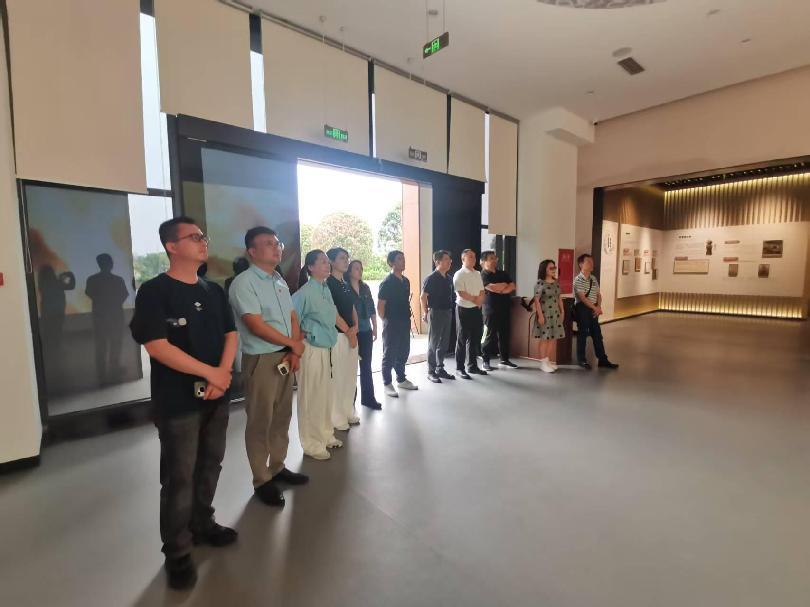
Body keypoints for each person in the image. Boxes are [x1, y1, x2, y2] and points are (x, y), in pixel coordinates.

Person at [129, 217, 237, 591]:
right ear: (171, 247)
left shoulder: (213, 291)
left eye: (203, 236)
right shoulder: (154, 292)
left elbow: (230, 334)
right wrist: (212, 373)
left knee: (211, 463)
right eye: (194, 237)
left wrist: (222, 374)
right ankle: (177, 551)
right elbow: (158, 346)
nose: (203, 241)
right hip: (178, 402)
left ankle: (203, 523)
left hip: (217, 395)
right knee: (179, 477)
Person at [229, 227, 309, 509]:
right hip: (261, 360)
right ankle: (261, 479)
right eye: (268, 244)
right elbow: (256, 325)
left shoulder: (279, 280)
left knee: (282, 416)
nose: (276, 248)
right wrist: (293, 344)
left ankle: (277, 467)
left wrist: (294, 349)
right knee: (260, 420)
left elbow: (292, 316)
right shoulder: (244, 283)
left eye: (277, 243)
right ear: (252, 251)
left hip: (285, 356)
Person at [293, 250, 353, 460]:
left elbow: (334, 315)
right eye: (322, 262)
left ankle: (326, 434)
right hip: (310, 349)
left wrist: (349, 332)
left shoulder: (325, 288)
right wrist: (299, 343)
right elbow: (292, 321)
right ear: (310, 267)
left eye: (328, 262)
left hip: (327, 347)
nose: (327, 265)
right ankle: (311, 443)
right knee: (311, 397)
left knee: (325, 395)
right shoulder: (304, 293)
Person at [325, 248, 361, 430]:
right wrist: (348, 332)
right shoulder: (328, 284)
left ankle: (348, 411)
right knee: (338, 378)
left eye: (347, 258)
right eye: (341, 258)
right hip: (338, 336)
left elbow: (352, 308)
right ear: (331, 262)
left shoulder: (345, 283)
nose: (346, 261)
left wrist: (355, 327)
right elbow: (333, 313)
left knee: (350, 376)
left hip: (351, 334)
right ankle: (336, 417)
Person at [378, 250, 418, 397]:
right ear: (391, 263)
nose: (403, 261)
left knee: (404, 351)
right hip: (391, 322)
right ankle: (387, 383)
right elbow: (380, 306)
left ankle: (401, 379)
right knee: (389, 353)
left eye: (404, 258)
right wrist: (386, 320)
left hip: (404, 321)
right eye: (400, 259)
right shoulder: (387, 282)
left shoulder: (405, 281)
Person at [85, 253, 129, 385]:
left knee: (101, 346)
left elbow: (89, 293)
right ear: (110, 264)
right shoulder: (118, 280)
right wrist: (114, 304)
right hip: (116, 316)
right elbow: (124, 294)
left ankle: (101, 375)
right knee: (116, 345)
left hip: (99, 316)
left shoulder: (92, 279)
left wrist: (101, 302)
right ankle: (114, 371)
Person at [346, 260, 382, 409]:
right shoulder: (345, 287)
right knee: (351, 367)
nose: (360, 271)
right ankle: (349, 402)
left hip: (366, 330)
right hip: (352, 332)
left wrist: (375, 327)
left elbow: (371, 307)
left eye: (361, 268)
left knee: (366, 366)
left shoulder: (365, 287)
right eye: (356, 268)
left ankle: (368, 398)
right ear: (349, 271)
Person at [574, 253, 619, 370]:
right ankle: (582, 360)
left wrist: (598, 306)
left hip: (594, 308)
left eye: (592, 261)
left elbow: (599, 294)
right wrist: (595, 309)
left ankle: (602, 359)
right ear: (581, 264)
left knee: (597, 334)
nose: (591, 264)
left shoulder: (593, 278)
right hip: (582, 309)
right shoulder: (578, 280)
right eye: (588, 262)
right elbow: (582, 298)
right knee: (583, 334)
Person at [420, 250, 456, 384]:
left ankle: (440, 368)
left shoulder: (449, 278)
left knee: (444, 343)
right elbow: (423, 297)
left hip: (447, 312)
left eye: (449, 259)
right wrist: (425, 312)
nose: (449, 261)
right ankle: (431, 371)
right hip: (435, 312)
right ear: (437, 262)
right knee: (433, 343)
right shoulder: (431, 278)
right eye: (446, 259)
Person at [480, 250, 518, 371]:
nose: (494, 260)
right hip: (490, 309)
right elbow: (490, 287)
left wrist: (501, 289)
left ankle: (504, 359)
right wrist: (503, 287)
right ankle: (485, 360)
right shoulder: (483, 274)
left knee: (504, 335)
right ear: (483, 261)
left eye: (495, 258)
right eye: (491, 258)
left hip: (504, 308)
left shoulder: (503, 273)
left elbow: (512, 286)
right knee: (488, 335)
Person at [452, 249, 486, 379]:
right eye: (470, 257)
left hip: (476, 309)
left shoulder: (477, 273)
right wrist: (475, 300)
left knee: (475, 338)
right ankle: (459, 368)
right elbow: (460, 292)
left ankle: (472, 366)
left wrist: (479, 301)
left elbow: (482, 290)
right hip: (463, 309)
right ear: (463, 259)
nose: (473, 259)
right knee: (462, 339)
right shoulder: (459, 274)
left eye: (474, 256)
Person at [533, 259, 565, 373]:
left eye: (554, 267)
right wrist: (540, 316)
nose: (554, 270)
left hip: (555, 314)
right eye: (551, 268)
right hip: (545, 314)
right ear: (544, 270)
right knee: (545, 338)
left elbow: (559, 298)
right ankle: (543, 363)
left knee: (553, 338)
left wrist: (562, 311)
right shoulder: (540, 283)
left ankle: (547, 361)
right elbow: (536, 301)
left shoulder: (556, 283)